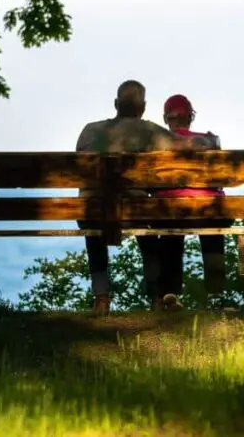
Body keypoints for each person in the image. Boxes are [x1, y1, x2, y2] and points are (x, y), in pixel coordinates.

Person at [75, 80, 208, 313]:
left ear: (116, 103)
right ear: (143, 107)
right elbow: (190, 146)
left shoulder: (89, 130)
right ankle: (157, 297)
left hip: (91, 210)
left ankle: (102, 298)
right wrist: (210, 141)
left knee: (94, 231)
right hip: (133, 211)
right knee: (149, 237)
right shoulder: (148, 131)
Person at [148, 94, 230, 308]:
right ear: (190, 116)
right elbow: (221, 179)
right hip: (209, 210)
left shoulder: (155, 145)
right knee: (213, 230)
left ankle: (170, 292)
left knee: (169, 231)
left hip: (168, 212)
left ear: (167, 118)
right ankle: (216, 293)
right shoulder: (210, 141)